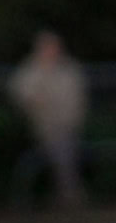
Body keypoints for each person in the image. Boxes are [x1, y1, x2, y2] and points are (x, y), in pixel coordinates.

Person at [9, 30, 87, 208]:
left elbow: (77, 98)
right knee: (61, 148)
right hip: (42, 125)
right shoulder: (32, 69)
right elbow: (20, 92)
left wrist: (72, 118)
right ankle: (69, 192)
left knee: (64, 147)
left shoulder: (68, 69)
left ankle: (68, 192)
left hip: (67, 125)